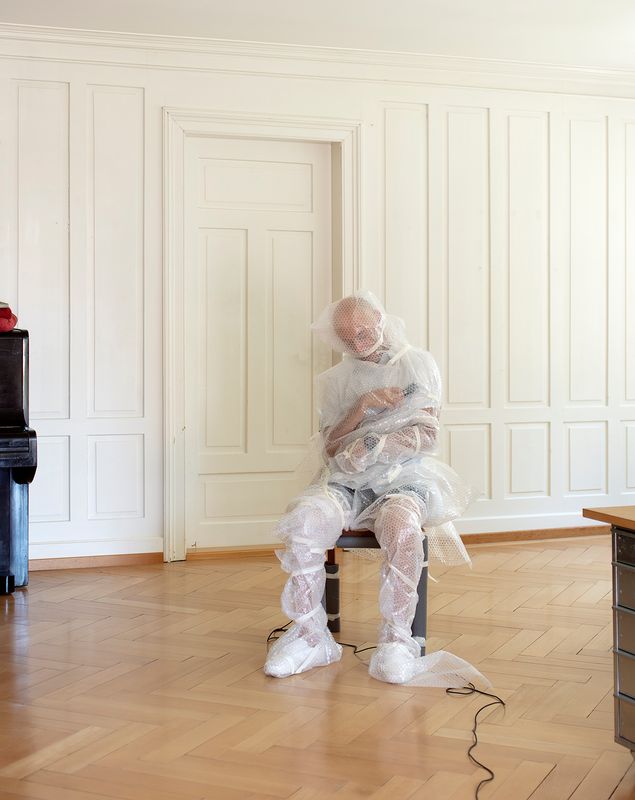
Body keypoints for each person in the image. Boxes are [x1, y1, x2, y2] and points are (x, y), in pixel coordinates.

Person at [264, 290, 488, 688]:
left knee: (402, 528)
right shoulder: (335, 380)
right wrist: (363, 405)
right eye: (347, 338)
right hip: (345, 481)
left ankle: (397, 642)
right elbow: (331, 447)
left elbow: (427, 433)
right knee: (304, 522)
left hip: (402, 479)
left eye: (364, 332)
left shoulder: (417, 363)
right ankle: (310, 637)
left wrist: (371, 446)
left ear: (381, 320)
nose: (358, 343)